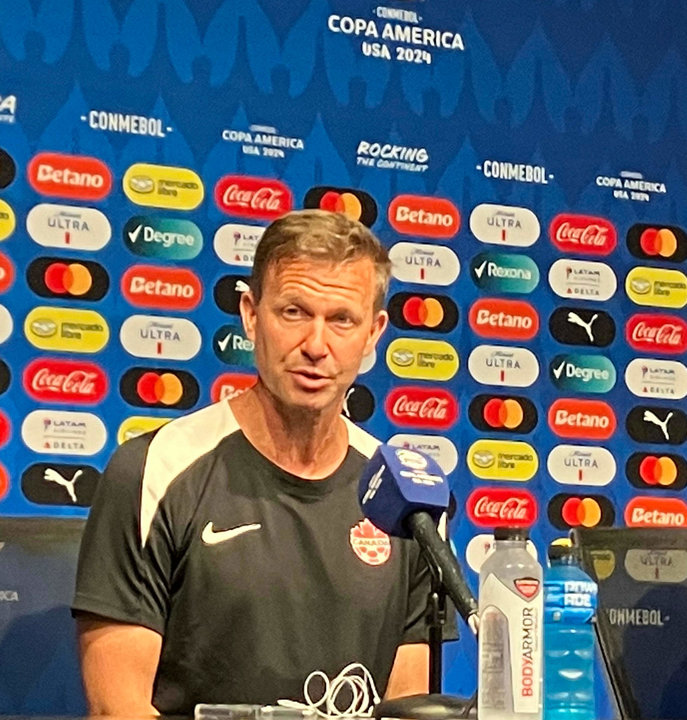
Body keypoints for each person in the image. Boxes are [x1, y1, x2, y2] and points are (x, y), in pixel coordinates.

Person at [72, 209, 450, 716]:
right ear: (252, 314)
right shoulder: (155, 471)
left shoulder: (406, 501)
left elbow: (406, 707)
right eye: (293, 312)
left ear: (374, 332)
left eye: (341, 320)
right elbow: (117, 710)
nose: (316, 346)